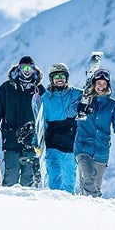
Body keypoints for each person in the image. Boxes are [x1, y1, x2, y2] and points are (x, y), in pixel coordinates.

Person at [74, 68, 115, 197]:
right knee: (89, 176)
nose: (101, 86)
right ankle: (95, 207)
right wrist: (79, 108)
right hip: (83, 147)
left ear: (108, 85)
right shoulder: (84, 99)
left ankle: (86, 208)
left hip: (102, 150)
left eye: (104, 83)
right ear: (94, 84)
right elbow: (69, 110)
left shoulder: (112, 105)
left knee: (95, 185)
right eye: (98, 83)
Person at [0, 55, 45, 186]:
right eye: (24, 67)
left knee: (27, 176)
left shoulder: (39, 90)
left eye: (30, 68)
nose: (26, 71)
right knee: (11, 173)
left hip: (31, 140)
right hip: (11, 138)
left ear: (34, 70)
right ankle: (5, 202)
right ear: (18, 69)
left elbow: (44, 115)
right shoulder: (6, 88)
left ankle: (26, 204)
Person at [41, 62, 83, 193]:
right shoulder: (45, 99)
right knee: (54, 177)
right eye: (56, 76)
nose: (59, 79)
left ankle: (68, 208)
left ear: (67, 78)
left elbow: (93, 98)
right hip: (53, 144)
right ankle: (54, 206)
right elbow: (41, 123)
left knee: (70, 179)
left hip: (71, 144)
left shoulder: (76, 94)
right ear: (51, 79)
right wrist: (37, 141)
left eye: (62, 76)